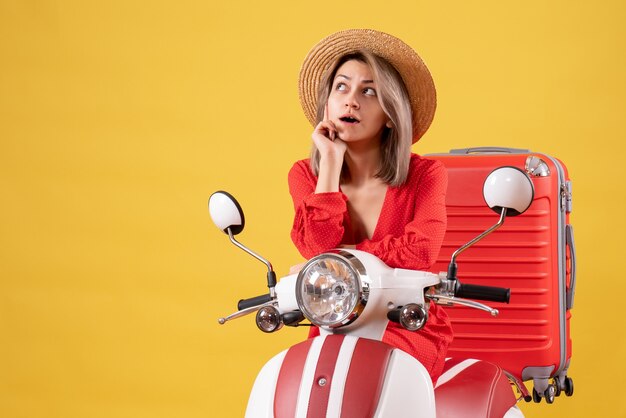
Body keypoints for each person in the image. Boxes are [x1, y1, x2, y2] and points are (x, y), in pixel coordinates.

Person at [288, 29, 453, 382]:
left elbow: (422, 251)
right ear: (327, 104)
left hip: (407, 322)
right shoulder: (305, 174)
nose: (351, 101)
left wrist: (345, 255)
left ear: (391, 115)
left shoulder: (426, 174)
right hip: (335, 324)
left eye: (369, 92)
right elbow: (317, 248)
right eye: (342, 88)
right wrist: (330, 164)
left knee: (381, 382)